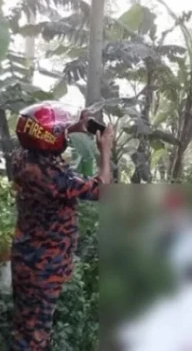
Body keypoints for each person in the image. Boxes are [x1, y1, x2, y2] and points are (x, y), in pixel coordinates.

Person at [9, 102, 114, 350]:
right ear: (48, 137)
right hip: (45, 268)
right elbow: (103, 189)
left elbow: (40, 140)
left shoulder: (21, 159)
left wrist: (74, 126)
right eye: (59, 130)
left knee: (26, 324)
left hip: (26, 257)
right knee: (34, 336)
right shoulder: (55, 176)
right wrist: (105, 152)